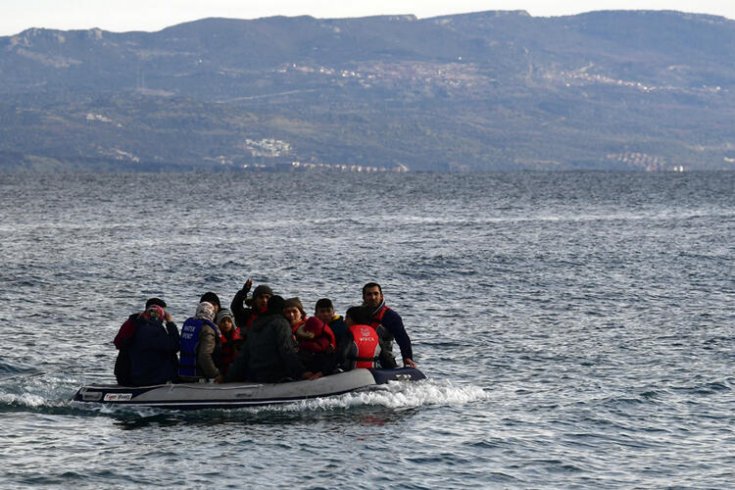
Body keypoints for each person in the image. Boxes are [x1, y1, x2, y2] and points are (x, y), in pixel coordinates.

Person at [225, 295, 318, 383]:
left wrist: (228, 376)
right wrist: (301, 372)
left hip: (255, 374)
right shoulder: (281, 323)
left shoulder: (255, 325)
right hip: (275, 375)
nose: (290, 315)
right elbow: (286, 350)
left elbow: (243, 355)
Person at [113, 297, 171, 386]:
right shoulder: (150, 328)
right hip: (133, 373)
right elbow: (171, 347)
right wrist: (170, 324)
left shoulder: (132, 321)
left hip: (124, 370)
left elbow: (118, 342)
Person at [362, 282, 417, 368]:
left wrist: (407, 357)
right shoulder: (356, 314)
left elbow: (402, 338)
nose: (373, 297)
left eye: (376, 294)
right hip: (360, 359)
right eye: (369, 294)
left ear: (381, 296)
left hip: (383, 360)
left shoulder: (391, 317)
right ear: (364, 297)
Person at [124, 303, 180, 386]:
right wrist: (170, 323)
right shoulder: (155, 331)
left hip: (138, 374)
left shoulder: (137, 328)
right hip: (154, 378)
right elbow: (174, 346)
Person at [178, 301, 223, 383]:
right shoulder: (207, 329)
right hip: (198, 375)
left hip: (183, 371)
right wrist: (215, 374)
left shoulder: (189, 324)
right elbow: (204, 355)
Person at [340, 306, 381, 370]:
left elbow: (341, 355)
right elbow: (385, 357)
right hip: (372, 373)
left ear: (354, 319)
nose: (345, 321)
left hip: (350, 373)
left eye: (347, 317)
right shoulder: (373, 332)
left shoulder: (349, 333)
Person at [215, 308, 243, 376]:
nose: (226, 323)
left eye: (229, 321)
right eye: (223, 321)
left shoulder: (238, 339)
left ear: (232, 323)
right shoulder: (215, 338)